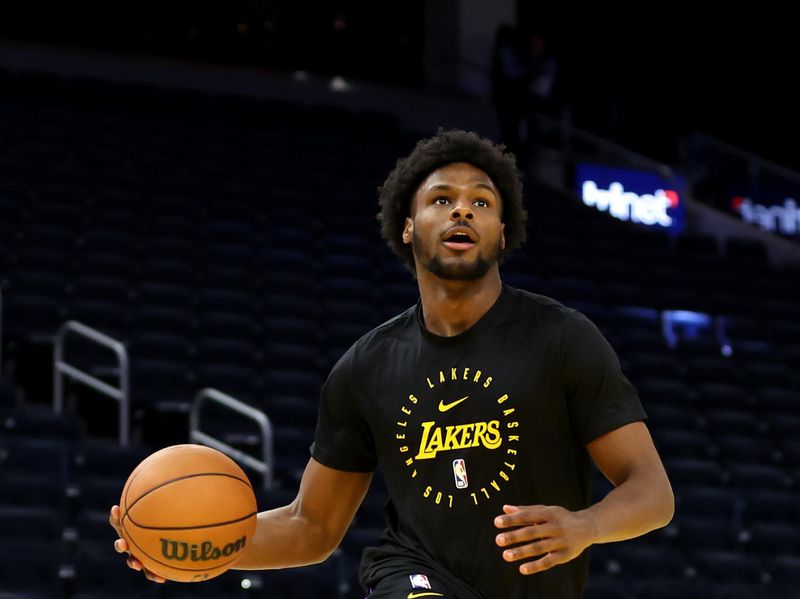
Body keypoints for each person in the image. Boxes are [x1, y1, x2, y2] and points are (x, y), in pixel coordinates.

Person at [111, 129, 674, 598]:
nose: (462, 209)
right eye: (441, 199)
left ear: (502, 234)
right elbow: (312, 526)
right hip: (411, 575)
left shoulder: (563, 339)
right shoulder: (365, 368)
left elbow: (652, 491)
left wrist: (587, 525)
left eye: (482, 202)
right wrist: (195, 546)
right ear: (408, 227)